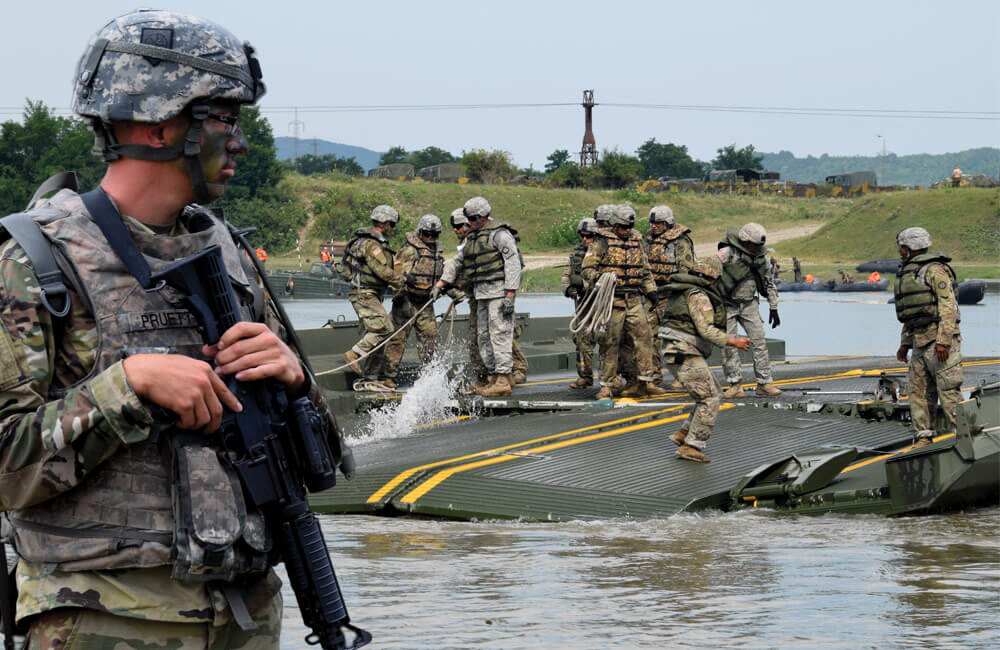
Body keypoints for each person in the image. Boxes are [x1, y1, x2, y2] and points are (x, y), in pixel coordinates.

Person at [0, 9, 351, 647]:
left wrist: (296, 384)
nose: (241, 141)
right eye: (225, 118)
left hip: (245, 613)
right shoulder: (34, 262)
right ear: (161, 124)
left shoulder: (232, 256)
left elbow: (329, 461)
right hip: (104, 619)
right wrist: (125, 386)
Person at [658, 258, 751, 462]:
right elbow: (705, 329)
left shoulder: (684, 291)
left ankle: (684, 433)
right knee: (710, 398)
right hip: (684, 351)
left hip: (677, 350)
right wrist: (732, 341)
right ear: (713, 278)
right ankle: (692, 445)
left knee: (711, 392)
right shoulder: (699, 296)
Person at [436, 197, 521, 397]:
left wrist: (510, 294)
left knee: (499, 334)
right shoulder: (473, 239)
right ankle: (494, 377)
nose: (470, 224)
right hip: (480, 293)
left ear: (482, 217)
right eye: (469, 220)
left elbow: (513, 263)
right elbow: (457, 262)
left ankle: (502, 377)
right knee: (483, 337)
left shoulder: (500, 235)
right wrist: (441, 284)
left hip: (499, 292)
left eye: (473, 219)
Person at [581, 204, 666, 399]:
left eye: (629, 227)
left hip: (634, 299)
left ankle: (645, 381)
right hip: (613, 300)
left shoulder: (637, 241)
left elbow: (645, 270)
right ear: (614, 225)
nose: (626, 231)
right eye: (622, 227)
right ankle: (606, 385)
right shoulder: (601, 242)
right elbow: (587, 269)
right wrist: (600, 278)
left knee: (645, 339)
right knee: (610, 343)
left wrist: (651, 291)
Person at [893, 227, 963, 448]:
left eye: (902, 248)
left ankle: (964, 435)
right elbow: (912, 315)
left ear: (910, 247)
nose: (900, 252)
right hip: (918, 341)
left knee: (949, 390)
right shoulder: (908, 272)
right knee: (919, 392)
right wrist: (905, 344)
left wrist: (944, 341)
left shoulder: (935, 271)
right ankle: (923, 436)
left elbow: (948, 308)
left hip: (939, 341)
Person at [382, 214, 462, 387]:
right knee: (397, 339)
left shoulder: (436, 252)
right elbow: (397, 275)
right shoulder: (410, 249)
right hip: (406, 301)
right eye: (427, 234)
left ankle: (430, 376)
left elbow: (439, 276)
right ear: (420, 232)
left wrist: (450, 291)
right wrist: (400, 298)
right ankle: (387, 376)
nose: (431, 238)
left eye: (435, 235)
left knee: (430, 338)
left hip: (426, 303)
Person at [340, 204, 406, 389]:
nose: (393, 229)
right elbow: (383, 272)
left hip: (370, 294)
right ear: (383, 223)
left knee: (378, 334)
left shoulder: (366, 242)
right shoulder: (371, 245)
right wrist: (401, 280)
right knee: (384, 328)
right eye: (392, 224)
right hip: (365, 294)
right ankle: (353, 354)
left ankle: (371, 378)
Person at [717, 222, 783, 398]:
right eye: (754, 245)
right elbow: (710, 271)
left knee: (759, 341)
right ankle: (734, 384)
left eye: (759, 245)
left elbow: (768, 283)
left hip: (749, 304)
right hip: (727, 304)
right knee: (729, 345)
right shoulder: (727, 253)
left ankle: (764, 383)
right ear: (745, 241)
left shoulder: (762, 260)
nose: (756, 248)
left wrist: (773, 307)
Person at [645, 204, 695, 390]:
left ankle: (680, 376)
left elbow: (685, 270)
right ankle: (653, 377)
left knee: (676, 338)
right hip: (652, 295)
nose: (654, 226)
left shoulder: (680, 241)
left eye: (658, 223)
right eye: (652, 223)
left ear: (668, 223)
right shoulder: (648, 240)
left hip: (673, 295)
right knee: (649, 338)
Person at [562, 217, 599, 389]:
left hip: (601, 304)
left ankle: (612, 378)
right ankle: (585, 376)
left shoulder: (603, 253)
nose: (585, 239)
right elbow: (566, 274)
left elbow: (605, 279)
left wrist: (584, 286)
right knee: (580, 339)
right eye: (582, 236)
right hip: (583, 306)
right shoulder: (575, 254)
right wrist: (569, 289)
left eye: (589, 236)